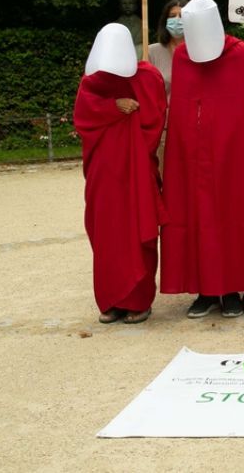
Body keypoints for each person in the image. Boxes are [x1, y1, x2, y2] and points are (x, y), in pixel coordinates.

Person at [160, 0, 244, 319]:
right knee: (197, 217)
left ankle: (231, 288)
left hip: (233, 153)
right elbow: (183, 107)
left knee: (231, 217)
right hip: (192, 153)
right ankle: (204, 289)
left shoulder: (242, 54)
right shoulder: (183, 57)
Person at [74, 23, 166, 325]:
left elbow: (153, 119)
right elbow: (83, 118)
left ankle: (139, 300)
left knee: (136, 232)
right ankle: (112, 298)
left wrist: (130, 116)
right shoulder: (91, 81)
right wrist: (114, 108)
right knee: (106, 233)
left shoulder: (147, 76)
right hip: (103, 174)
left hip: (136, 171)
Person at [147, 0, 187, 169]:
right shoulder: (152, 52)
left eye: (182, 16)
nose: (177, 20)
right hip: (164, 128)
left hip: (191, 127)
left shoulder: (200, 52)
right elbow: (146, 91)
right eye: (172, 16)